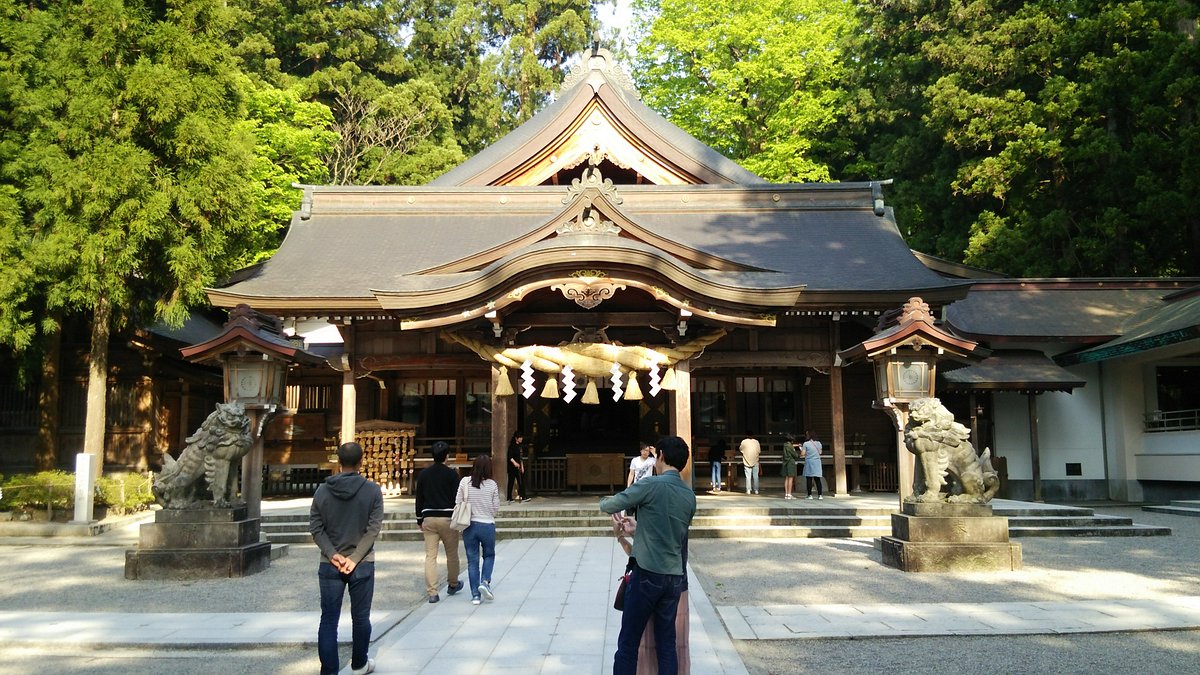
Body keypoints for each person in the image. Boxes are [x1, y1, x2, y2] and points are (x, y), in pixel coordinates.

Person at [600, 436, 697, 675]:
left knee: (628, 643)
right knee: (666, 645)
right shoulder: (689, 497)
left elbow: (610, 505)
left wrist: (605, 502)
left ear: (661, 455)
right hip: (673, 576)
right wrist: (640, 527)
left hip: (646, 574)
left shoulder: (651, 485)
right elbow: (669, 531)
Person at [309, 442, 383, 675]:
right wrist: (355, 557)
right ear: (361, 461)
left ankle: (329, 671)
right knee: (360, 617)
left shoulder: (322, 491)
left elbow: (315, 527)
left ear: (338, 462)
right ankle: (359, 663)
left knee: (329, 620)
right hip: (362, 564)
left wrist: (333, 554)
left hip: (330, 564)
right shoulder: (372, 490)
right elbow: (373, 529)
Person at [414, 440, 463, 604]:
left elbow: (419, 498)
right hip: (447, 518)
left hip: (428, 517)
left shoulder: (423, 474)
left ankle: (433, 592)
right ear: (446, 456)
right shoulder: (451, 474)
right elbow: (457, 497)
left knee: (430, 556)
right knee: (452, 554)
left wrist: (419, 518)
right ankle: (453, 583)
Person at [458, 454, 501, 605]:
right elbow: (495, 508)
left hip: (469, 525)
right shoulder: (492, 485)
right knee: (489, 555)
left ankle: (475, 595)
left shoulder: (465, 482)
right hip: (487, 525)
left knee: (472, 561)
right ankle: (485, 582)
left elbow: (458, 502)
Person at [802, 431, 824, 499]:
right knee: (817, 479)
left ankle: (809, 495)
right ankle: (820, 495)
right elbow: (820, 452)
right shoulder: (819, 443)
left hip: (809, 461)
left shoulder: (806, 444)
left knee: (809, 479)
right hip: (817, 462)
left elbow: (803, 454)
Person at [507, 431, 527, 502]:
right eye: (520, 437)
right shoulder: (512, 446)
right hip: (512, 468)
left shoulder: (520, 447)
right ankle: (509, 497)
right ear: (516, 438)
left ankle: (523, 496)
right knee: (511, 482)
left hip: (518, 467)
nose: (521, 439)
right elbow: (510, 457)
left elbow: (521, 458)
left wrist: (522, 466)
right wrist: (515, 463)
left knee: (521, 481)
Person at [782, 434, 800, 500]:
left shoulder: (785, 445)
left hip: (785, 463)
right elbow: (795, 455)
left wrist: (797, 445)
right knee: (791, 479)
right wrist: (798, 454)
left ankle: (786, 494)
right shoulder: (790, 447)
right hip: (790, 462)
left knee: (786, 478)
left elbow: (791, 446)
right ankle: (789, 494)